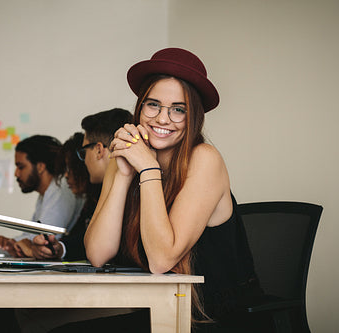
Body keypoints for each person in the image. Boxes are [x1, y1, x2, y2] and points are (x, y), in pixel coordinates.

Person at [83, 48, 263, 332]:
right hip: (162, 312)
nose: (162, 119)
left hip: (213, 320)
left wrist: (148, 170)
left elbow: (161, 259)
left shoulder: (204, 159)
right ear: (139, 108)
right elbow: (97, 254)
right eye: (152, 105)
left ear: (194, 117)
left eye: (178, 110)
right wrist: (123, 175)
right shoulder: (127, 158)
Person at [0, 135, 85, 257]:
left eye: (21, 167)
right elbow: (28, 239)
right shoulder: (46, 195)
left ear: (40, 167)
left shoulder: (60, 190)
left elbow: (40, 242)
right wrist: (7, 243)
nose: (16, 173)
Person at [28, 108, 133, 261]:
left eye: (84, 153)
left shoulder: (132, 191)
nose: (84, 162)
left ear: (98, 150)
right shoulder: (98, 192)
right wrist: (59, 249)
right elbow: (84, 238)